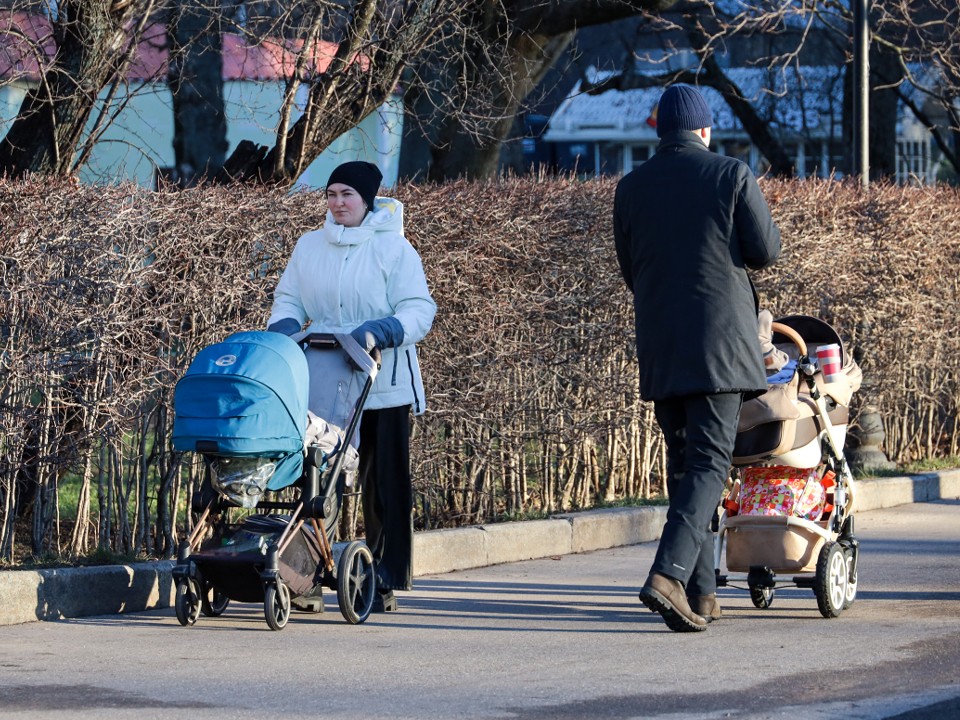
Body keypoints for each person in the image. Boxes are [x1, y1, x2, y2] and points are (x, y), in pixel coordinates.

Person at [612, 85, 781, 632]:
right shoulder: (730, 174)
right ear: (704, 130)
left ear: (660, 132)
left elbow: (630, 270)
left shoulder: (631, 187)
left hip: (663, 347)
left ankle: (702, 593)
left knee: (686, 467)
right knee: (710, 465)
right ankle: (668, 574)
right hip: (721, 348)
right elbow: (765, 251)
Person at [267, 160, 436, 612]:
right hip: (326, 381)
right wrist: (284, 327)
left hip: (383, 383)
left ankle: (381, 576)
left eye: (348, 195)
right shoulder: (309, 247)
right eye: (332, 194)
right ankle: (304, 577)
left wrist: (379, 330)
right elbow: (289, 297)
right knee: (316, 480)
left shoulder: (394, 251)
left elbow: (419, 309)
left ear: (367, 201)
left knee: (382, 484)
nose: (338, 203)